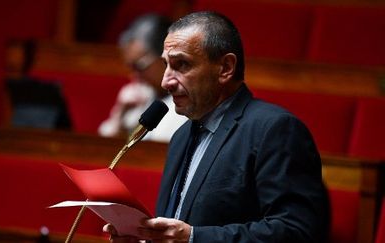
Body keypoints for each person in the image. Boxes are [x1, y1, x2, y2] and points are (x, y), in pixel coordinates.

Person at [103, 11, 330, 242]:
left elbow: (297, 231)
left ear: (225, 68)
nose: (166, 81)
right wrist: (144, 239)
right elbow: (176, 228)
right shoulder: (181, 136)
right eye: (166, 65)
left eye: (181, 65)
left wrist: (194, 238)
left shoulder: (275, 130)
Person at [98, 14, 187, 142]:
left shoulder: (187, 102)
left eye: (139, 66)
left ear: (166, 57)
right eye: (130, 67)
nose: (134, 75)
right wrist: (119, 115)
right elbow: (102, 146)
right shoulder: (140, 95)